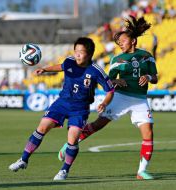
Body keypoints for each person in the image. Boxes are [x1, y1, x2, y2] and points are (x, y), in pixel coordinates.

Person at [58, 16, 158, 180]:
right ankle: (70, 144)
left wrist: (147, 76)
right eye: (119, 43)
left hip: (140, 100)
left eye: (123, 41)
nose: (121, 45)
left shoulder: (147, 56)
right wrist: (117, 81)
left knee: (148, 133)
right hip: (120, 97)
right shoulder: (116, 60)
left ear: (133, 40)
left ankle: (141, 172)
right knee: (98, 125)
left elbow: (155, 77)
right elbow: (108, 82)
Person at [8, 37, 114, 180]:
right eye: (75, 51)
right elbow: (61, 66)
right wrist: (45, 69)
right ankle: (23, 160)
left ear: (89, 54)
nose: (77, 54)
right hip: (62, 103)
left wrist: (104, 103)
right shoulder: (70, 61)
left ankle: (64, 170)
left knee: (73, 138)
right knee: (42, 127)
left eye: (80, 52)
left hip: (80, 108)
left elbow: (110, 90)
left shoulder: (96, 71)